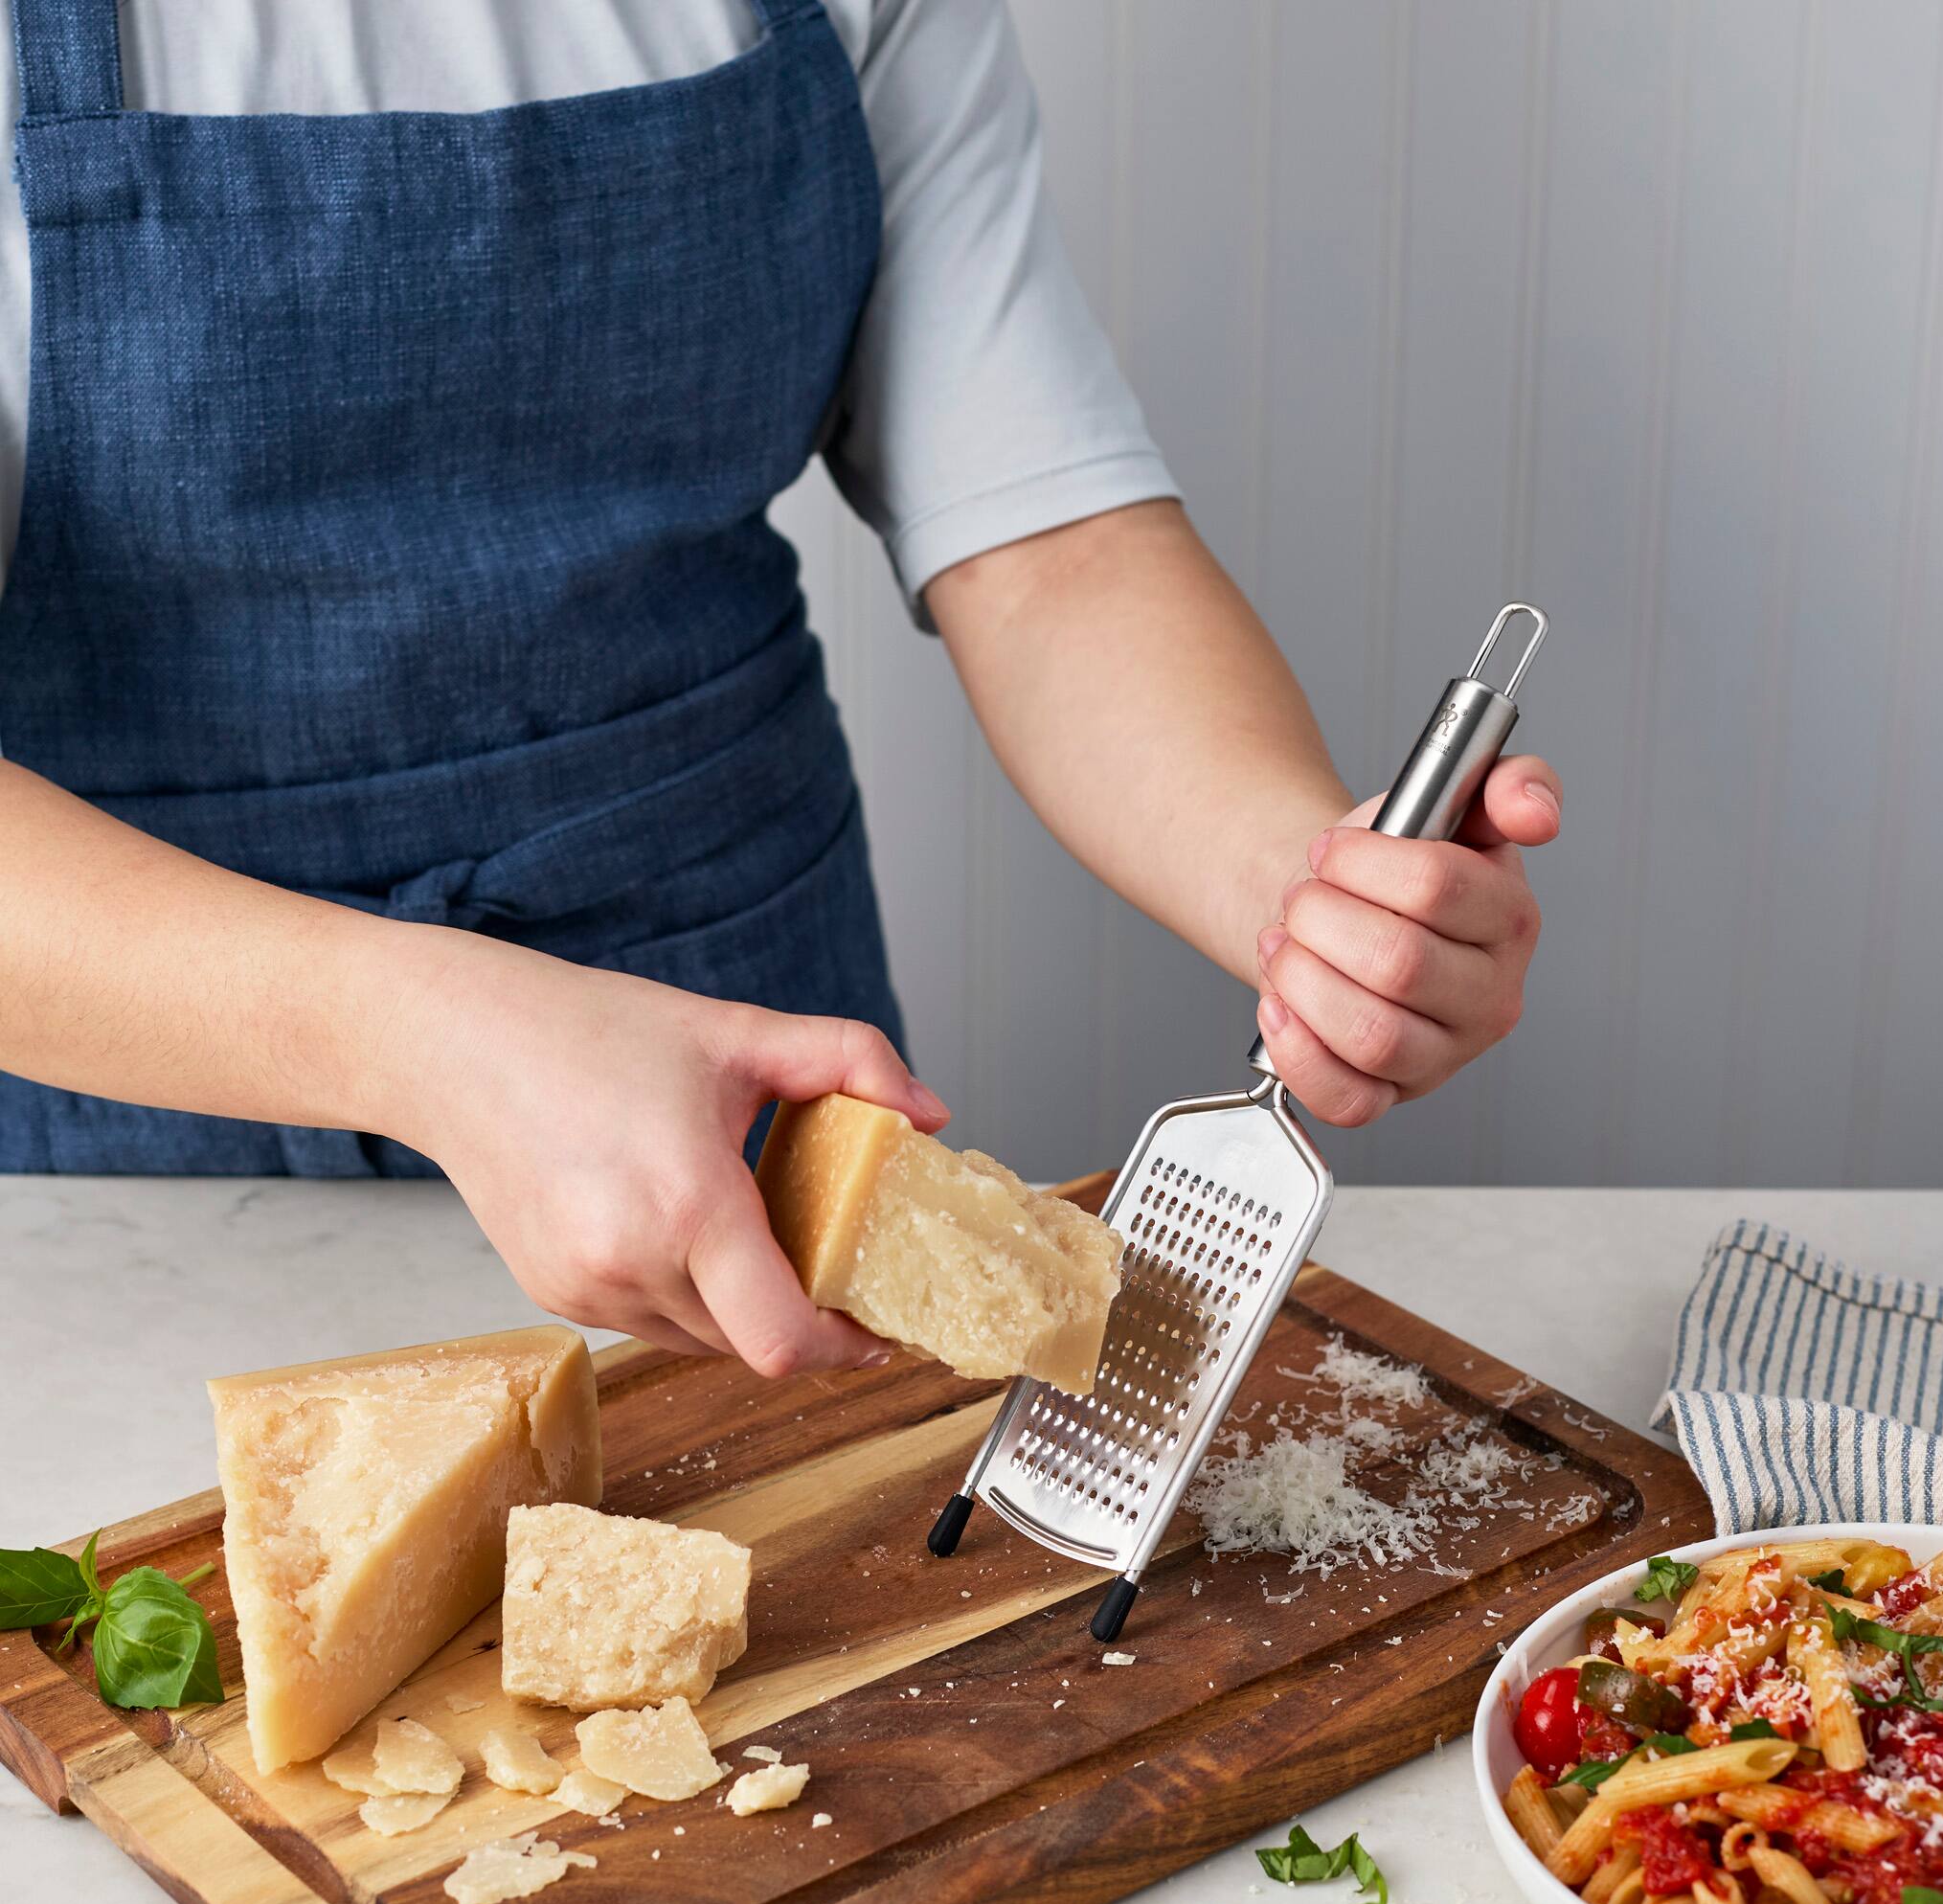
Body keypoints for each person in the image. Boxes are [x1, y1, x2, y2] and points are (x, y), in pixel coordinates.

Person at [0, 0, 1560, 1375]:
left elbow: (1044, 544)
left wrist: (1300, 893)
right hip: (122, 1106)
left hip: (734, 1033)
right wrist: (424, 1031)